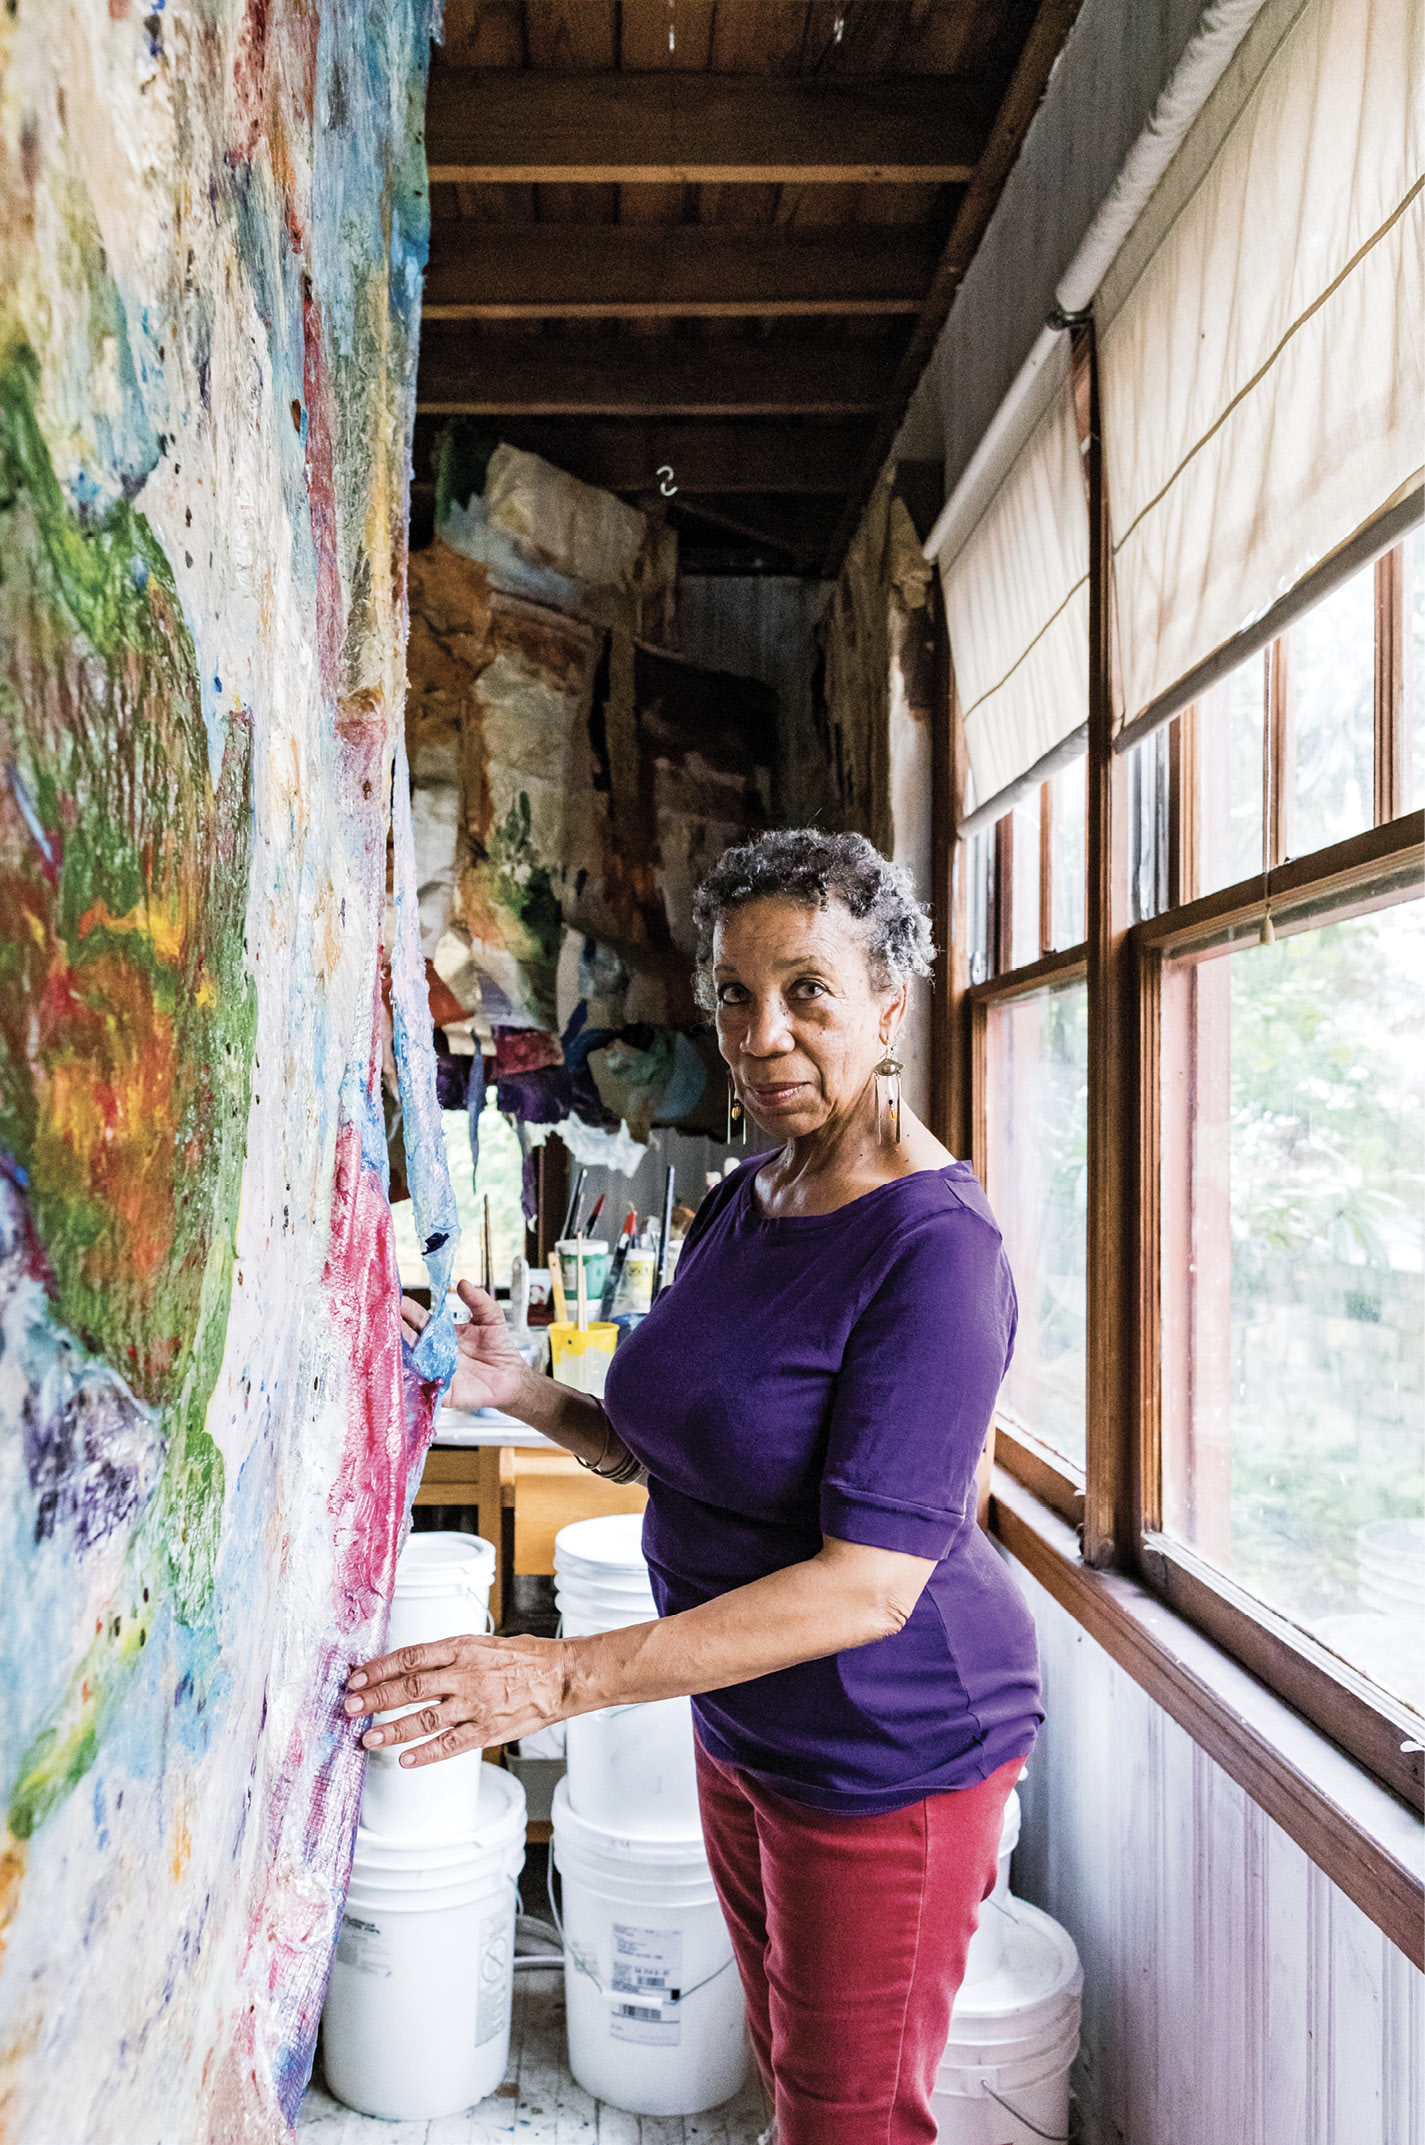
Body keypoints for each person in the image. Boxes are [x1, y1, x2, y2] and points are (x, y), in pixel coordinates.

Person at [346, 828, 1042, 2145]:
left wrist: (552, 1675)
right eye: (733, 992)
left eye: (807, 990)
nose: (760, 1031)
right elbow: (677, 1444)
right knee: (790, 2073)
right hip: (743, 1725)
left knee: (850, 2121)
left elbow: (867, 1586)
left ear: (889, 1005)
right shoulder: (755, 1190)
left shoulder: (935, 1252)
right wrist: (524, 1391)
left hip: (885, 1751)